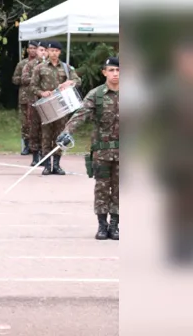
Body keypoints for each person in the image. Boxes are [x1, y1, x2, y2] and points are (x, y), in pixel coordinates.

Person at [57, 57, 119, 240]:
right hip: (102, 152)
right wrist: (67, 131)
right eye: (111, 70)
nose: (115, 74)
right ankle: (102, 225)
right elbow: (81, 114)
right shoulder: (96, 94)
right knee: (101, 189)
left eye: (118, 70)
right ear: (104, 72)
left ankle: (115, 225)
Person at [29, 41, 81, 175]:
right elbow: (32, 86)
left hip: (62, 106)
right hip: (46, 106)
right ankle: (47, 165)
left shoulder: (66, 67)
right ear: (47, 51)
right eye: (51, 50)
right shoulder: (39, 68)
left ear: (59, 52)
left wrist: (71, 82)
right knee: (46, 136)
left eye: (56, 51)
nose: (53, 53)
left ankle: (57, 164)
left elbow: (78, 80)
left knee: (60, 135)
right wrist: (42, 93)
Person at [13, 40, 38, 155]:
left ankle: (37, 146)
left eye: (35, 48)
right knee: (25, 123)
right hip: (24, 97)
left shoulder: (41, 63)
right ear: (27, 50)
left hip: (37, 97)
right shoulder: (22, 64)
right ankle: (27, 146)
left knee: (37, 122)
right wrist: (24, 80)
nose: (32, 50)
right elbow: (15, 79)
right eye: (30, 48)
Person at [26, 42, 48, 165]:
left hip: (48, 102)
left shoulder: (51, 66)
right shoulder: (30, 65)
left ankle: (45, 156)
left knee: (47, 130)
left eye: (45, 50)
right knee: (34, 129)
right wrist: (36, 78)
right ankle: (35, 156)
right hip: (34, 101)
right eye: (41, 50)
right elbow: (24, 79)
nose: (43, 52)